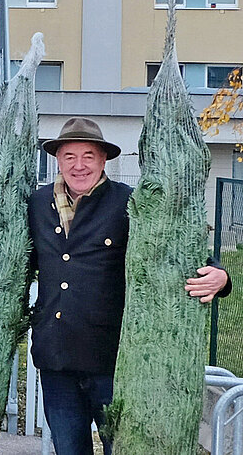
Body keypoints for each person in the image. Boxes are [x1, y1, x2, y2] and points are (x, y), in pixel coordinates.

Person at [29, 116, 231, 455]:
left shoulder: (131, 203)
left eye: (88, 156)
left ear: (104, 159)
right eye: (69, 157)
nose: (79, 166)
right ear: (57, 159)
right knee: (67, 450)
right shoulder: (37, 205)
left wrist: (220, 276)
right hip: (56, 360)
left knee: (121, 449)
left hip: (114, 362)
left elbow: (175, 250)